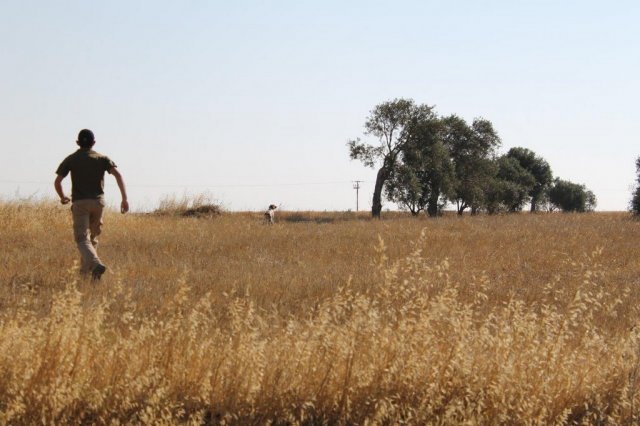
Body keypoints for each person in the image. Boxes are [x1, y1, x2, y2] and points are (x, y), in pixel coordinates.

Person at [54, 129, 129, 280]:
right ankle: (86, 274)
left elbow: (57, 182)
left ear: (77, 143)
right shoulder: (101, 158)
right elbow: (118, 175)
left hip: (80, 203)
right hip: (98, 203)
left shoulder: (71, 159)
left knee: (82, 239)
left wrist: (63, 197)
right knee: (92, 239)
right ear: (94, 143)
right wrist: (124, 199)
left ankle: (95, 264)